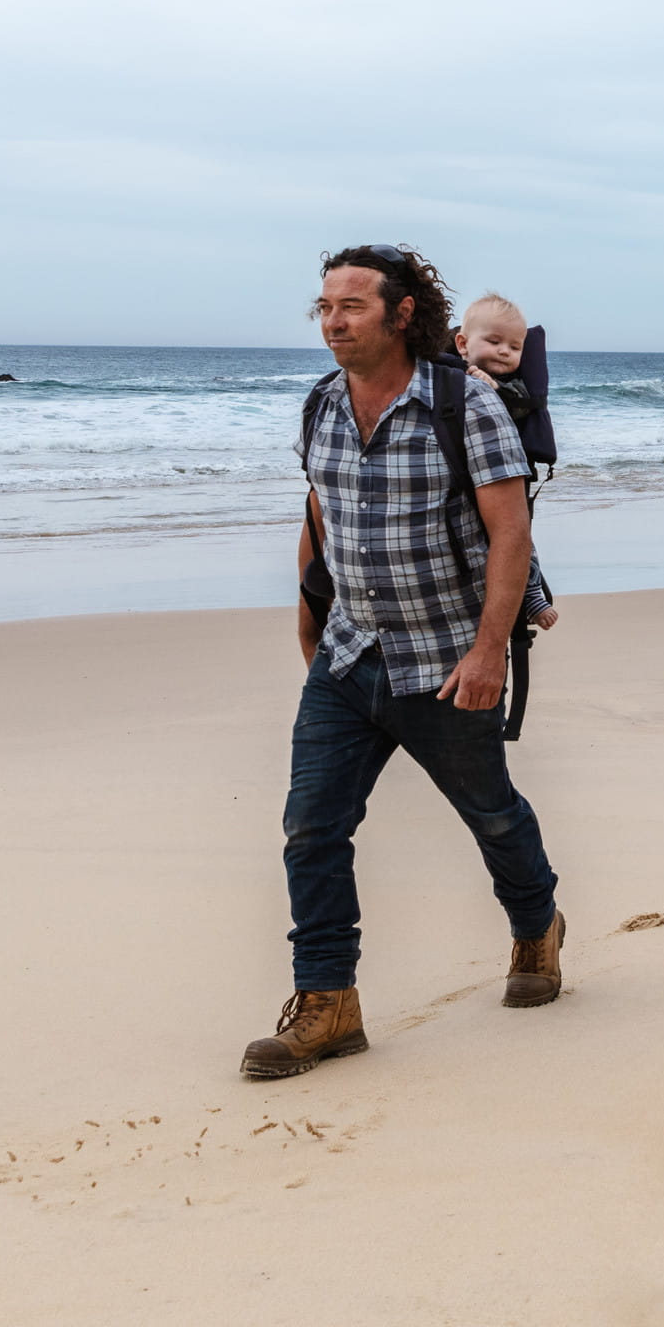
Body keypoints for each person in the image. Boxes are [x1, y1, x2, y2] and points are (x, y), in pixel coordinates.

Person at [246, 245, 564, 1082]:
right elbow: (321, 513)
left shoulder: (465, 407)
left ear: (402, 313)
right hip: (350, 656)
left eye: (351, 305)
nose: (333, 321)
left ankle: (538, 925)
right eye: (323, 307)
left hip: (445, 659)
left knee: (491, 814)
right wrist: (310, 617)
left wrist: (490, 648)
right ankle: (328, 1003)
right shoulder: (319, 406)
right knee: (311, 827)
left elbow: (510, 533)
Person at [456, 294, 562, 638]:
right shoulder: (446, 379)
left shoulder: (514, 386)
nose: (505, 351)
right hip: (464, 483)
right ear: (463, 343)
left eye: (515, 347)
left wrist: (494, 390)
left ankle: (531, 593)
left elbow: (517, 406)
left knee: (519, 540)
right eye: (494, 341)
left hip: (506, 481)